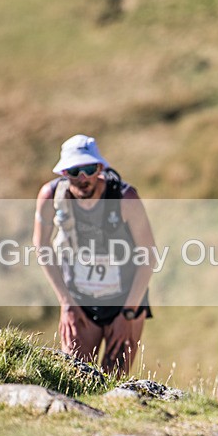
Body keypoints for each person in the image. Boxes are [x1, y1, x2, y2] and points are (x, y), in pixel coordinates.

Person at [33, 134, 156, 376]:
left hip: (125, 300)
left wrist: (127, 312)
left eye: (89, 168)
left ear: (100, 167)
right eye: (74, 171)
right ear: (63, 173)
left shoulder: (124, 197)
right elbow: (41, 245)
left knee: (112, 381)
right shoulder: (51, 196)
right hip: (79, 300)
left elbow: (148, 255)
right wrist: (66, 302)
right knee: (74, 377)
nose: (83, 178)